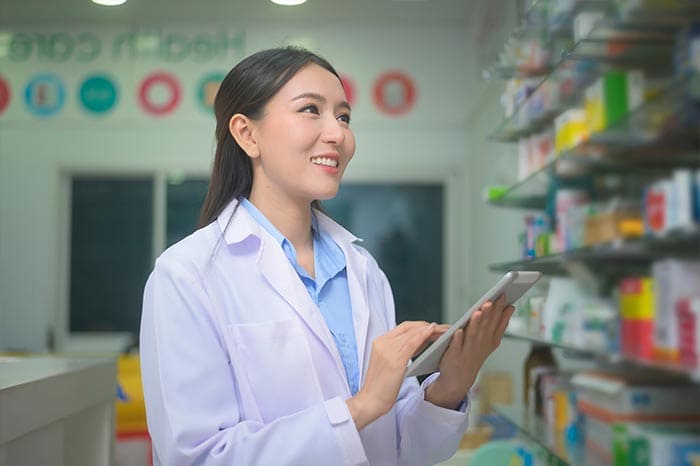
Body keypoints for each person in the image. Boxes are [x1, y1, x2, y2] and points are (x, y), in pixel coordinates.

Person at [139, 46, 515, 466]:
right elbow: (199, 458)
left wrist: (452, 383)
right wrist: (361, 407)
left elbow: (402, 449)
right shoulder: (188, 275)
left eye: (343, 116)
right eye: (310, 110)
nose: (337, 134)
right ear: (247, 134)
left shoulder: (362, 270)